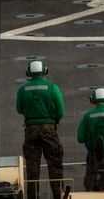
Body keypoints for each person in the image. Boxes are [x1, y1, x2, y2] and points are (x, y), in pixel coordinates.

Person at [16, 60, 65, 199]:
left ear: (28, 73)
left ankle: (33, 196)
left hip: (31, 129)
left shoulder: (22, 89)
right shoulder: (52, 87)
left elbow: (19, 109)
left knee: (32, 168)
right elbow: (60, 111)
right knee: (55, 164)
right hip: (49, 128)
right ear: (45, 71)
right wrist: (53, 121)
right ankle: (58, 195)